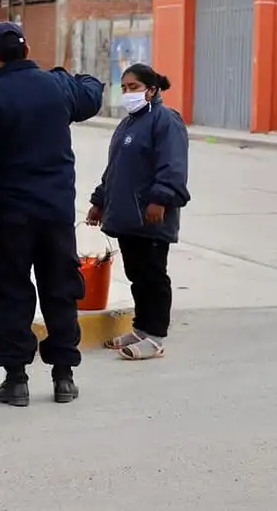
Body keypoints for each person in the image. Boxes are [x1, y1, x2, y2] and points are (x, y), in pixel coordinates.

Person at [0, 22, 105, 407]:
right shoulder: (57, 86)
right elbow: (92, 92)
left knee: (9, 291)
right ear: (27, 48)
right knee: (60, 289)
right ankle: (64, 377)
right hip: (56, 214)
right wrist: (66, 74)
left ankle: (16, 380)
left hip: (11, 216)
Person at [87, 63, 190, 361]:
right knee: (137, 275)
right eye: (124, 88)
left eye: (133, 87)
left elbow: (173, 165)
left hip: (152, 215)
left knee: (153, 275)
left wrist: (161, 199)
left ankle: (155, 336)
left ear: (152, 89)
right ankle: (141, 328)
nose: (128, 93)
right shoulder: (129, 124)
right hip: (127, 217)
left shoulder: (165, 120)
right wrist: (100, 201)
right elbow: (115, 169)